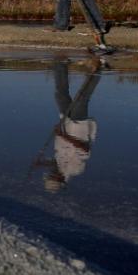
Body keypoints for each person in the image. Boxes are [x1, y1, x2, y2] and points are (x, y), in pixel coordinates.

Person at [40, 58, 102, 192]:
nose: (50, 173)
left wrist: (42, 163)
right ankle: (98, 69)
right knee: (82, 98)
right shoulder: (75, 170)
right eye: (52, 176)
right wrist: (63, 136)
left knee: (60, 95)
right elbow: (85, 149)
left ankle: (60, 64)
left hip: (66, 122)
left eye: (49, 175)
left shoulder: (58, 166)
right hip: (79, 126)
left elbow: (58, 160)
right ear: (60, 179)